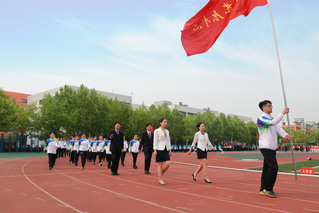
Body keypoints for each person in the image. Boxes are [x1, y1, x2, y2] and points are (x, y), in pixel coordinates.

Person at [257, 100, 293, 198]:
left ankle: (263, 188)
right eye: (268, 106)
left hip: (272, 147)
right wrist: (283, 113)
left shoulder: (272, 119)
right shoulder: (261, 119)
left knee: (267, 168)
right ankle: (268, 189)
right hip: (265, 146)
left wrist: (286, 135)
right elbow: (272, 123)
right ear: (263, 107)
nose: (271, 107)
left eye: (271, 105)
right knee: (274, 167)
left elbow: (278, 129)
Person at [153, 118, 171, 185]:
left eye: (166, 122)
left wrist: (170, 149)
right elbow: (155, 140)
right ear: (160, 123)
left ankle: (160, 174)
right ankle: (160, 179)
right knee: (160, 164)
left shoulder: (167, 131)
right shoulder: (157, 131)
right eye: (164, 122)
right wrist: (155, 150)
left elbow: (168, 140)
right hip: (159, 149)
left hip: (166, 149)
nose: (165, 123)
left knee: (168, 163)